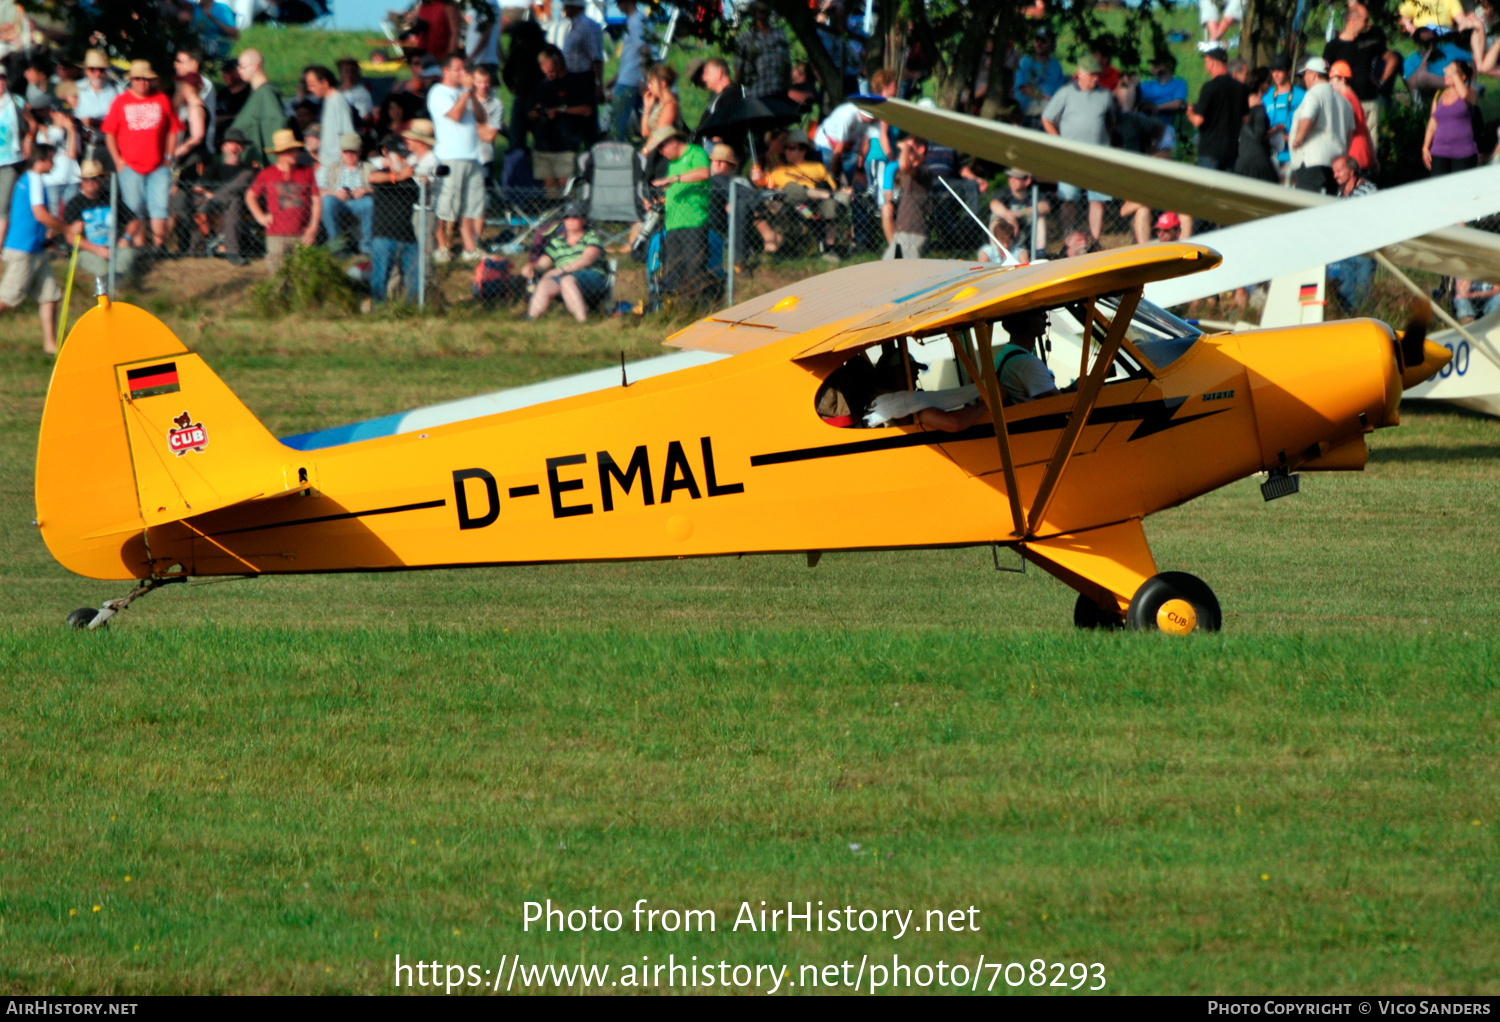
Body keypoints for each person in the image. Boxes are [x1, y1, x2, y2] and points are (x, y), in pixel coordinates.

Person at [917, 310, 1059, 432]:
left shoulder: (1007, 354)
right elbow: (1059, 402)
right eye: (1039, 314)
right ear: (1024, 321)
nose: (1045, 317)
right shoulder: (1026, 363)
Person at [103, 60, 181, 252]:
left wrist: (169, 157)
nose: (142, 83)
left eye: (146, 79)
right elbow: (109, 133)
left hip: (158, 166)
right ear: (131, 80)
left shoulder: (162, 99)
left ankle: (159, 247)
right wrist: (118, 161)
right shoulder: (121, 102)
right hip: (129, 165)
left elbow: (174, 129)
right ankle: (139, 246)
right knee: (133, 208)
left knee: (160, 206)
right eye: (138, 79)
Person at [1041, 55, 1116, 245]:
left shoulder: (1105, 95)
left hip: (1098, 157)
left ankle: (1096, 242)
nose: (1095, 79)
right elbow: (1047, 118)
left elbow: (1110, 122)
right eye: (1091, 75)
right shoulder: (1065, 93)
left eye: (1097, 75)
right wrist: (1059, 143)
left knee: (1097, 201)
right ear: (1080, 73)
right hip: (1070, 157)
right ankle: (1069, 242)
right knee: (1068, 199)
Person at [0, 145, 62, 354]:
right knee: (7, 300)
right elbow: (40, 214)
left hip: (35, 249)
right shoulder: (34, 179)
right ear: (41, 160)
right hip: (23, 249)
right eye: (51, 159)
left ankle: (51, 346)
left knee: (49, 296)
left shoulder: (28, 179)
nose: (53, 163)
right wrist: (66, 228)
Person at [427, 54, 488, 263]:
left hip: (472, 155)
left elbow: (482, 118)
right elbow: (455, 115)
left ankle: (470, 248)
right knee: (444, 206)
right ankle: (441, 246)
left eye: (464, 69)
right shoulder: (438, 92)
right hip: (449, 156)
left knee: (471, 205)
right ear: (446, 71)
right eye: (458, 69)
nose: (463, 73)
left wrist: (471, 94)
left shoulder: (466, 93)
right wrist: (466, 92)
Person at [645, 125, 712, 304]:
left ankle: (702, 308)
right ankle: (681, 308)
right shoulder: (672, 163)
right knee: (675, 269)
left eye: (662, 147)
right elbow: (674, 188)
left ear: (673, 142)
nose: (661, 152)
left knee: (694, 266)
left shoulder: (695, 153)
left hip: (693, 221)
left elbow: (704, 173)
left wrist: (674, 179)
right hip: (673, 223)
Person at [756, 129, 842, 260]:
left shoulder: (817, 167)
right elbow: (765, 185)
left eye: (792, 148)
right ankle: (811, 202)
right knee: (791, 187)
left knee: (831, 203)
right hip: (797, 206)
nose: (787, 151)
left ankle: (829, 249)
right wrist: (757, 178)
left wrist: (828, 194)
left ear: (803, 150)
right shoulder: (778, 171)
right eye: (786, 148)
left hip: (816, 205)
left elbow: (832, 189)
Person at [245, 128, 319, 275]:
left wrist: (313, 226)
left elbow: (316, 199)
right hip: (276, 234)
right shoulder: (267, 174)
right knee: (278, 276)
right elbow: (250, 195)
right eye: (290, 151)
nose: (295, 154)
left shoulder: (307, 172)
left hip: (302, 234)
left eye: (295, 150)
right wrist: (260, 217)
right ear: (280, 154)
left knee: (305, 275)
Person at [1323, 0, 1399, 140]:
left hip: (1368, 101)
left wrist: (1381, 81)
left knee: (1370, 146)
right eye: (1365, 20)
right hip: (1343, 103)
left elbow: (1392, 59)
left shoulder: (1370, 41)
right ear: (1353, 19)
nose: (1368, 24)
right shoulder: (1333, 47)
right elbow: (1325, 73)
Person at [177, 127, 256, 261]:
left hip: (242, 205)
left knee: (235, 199)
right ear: (224, 147)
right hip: (213, 206)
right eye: (232, 143)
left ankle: (223, 248)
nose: (235, 146)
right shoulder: (215, 169)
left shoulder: (249, 170)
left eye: (239, 143)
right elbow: (197, 188)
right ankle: (228, 251)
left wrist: (215, 197)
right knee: (203, 203)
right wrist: (209, 194)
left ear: (243, 148)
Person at [523, 202, 607, 321]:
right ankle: (530, 319)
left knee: (566, 280)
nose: (570, 220)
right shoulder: (557, 241)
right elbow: (544, 262)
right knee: (545, 284)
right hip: (563, 277)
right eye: (567, 217)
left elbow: (586, 260)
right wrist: (532, 267)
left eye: (575, 216)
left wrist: (560, 270)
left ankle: (583, 321)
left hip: (591, 277)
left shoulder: (591, 237)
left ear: (584, 220)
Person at [366, 134, 423, 305]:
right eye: (399, 155)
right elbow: (372, 178)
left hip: (408, 237)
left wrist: (424, 185)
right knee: (380, 279)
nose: (403, 160)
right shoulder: (382, 175)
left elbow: (420, 200)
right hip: (384, 236)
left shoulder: (411, 181)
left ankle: (411, 308)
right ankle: (378, 310)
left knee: (414, 279)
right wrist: (397, 177)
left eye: (405, 156)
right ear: (387, 155)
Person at [530, 44, 593, 193]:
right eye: (544, 69)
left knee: (566, 185)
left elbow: (587, 110)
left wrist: (561, 110)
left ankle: (569, 213)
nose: (548, 73)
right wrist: (539, 112)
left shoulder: (575, 82)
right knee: (549, 189)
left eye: (550, 70)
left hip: (567, 143)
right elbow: (531, 112)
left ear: (559, 64)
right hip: (544, 145)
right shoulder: (541, 86)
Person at [64, 159, 138, 283]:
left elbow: (133, 221)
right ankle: (107, 288)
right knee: (101, 268)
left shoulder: (111, 198)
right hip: (87, 251)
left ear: (102, 179)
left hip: (114, 248)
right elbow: (70, 237)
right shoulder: (74, 204)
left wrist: (126, 238)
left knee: (128, 255)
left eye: (95, 178)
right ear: (81, 181)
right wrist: (96, 250)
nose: (90, 182)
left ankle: (119, 287)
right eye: (86, 179)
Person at [1288, 57, 1351, 194]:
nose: (1304, 79)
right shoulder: (1344, 101)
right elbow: (1350, 134)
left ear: (1313, 74)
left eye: (1305, 74)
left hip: (1312, 161)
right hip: (1335, 163)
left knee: (1307, 207)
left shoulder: (1314, 94)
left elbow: (1307, 118)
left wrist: (1297, 140)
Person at [1328, 154, 1376, 311]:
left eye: (1339, 171)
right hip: (1345, 250)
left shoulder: (1369, 191)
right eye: (1334, 172)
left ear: (1351, 171)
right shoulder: (1340, 195)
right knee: (1345, 291)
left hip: (1364, 251)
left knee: (1363, 290)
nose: (1335, 175)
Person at [1187, 47, 1247, 171]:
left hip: (1210, 151)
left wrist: (1190, 112)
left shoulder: (1209, 87)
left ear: (1212, 63)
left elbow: (1198, 120)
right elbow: (1246, 119)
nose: (1205, 65)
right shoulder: (1240, 88)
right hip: (1231, 151)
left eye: (1206, 61)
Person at [1423, 59, 1480, 174]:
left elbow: (1464, 95)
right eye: (1447, 73)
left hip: (1463, 153)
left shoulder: (1470, 92)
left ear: (1462, 77)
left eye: (1451, 73)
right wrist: (1425, 147)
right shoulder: (1440, 95)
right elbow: (1432, 123)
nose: (1446, 75)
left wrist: (1454, 73)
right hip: (1439, 152)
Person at [229, 50, 284, 167]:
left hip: (264, 165)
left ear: (255, 66)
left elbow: (275, 123)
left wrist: (274, 159)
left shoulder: (266, 93)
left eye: (242, 66)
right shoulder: (257, 93)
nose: (238, 70)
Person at [501, 5, 545, 149]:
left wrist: (512, 87)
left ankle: (517, 162)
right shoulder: (543, 49)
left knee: (516, 138)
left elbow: (506, 72)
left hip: (522, 94)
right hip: (541, 96)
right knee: (542, 137)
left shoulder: (518, 49)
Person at [320, 132, 372, 254]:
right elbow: (319, 191)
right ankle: (336, 245)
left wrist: (364, 190)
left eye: (352, 151)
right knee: (327, 201)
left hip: (360, 202)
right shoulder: (333, 167)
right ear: (341, 151)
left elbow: (380, 189)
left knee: (370, 203)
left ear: (360, 151)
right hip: (338, 202)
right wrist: (335, 193)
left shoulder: (368, 167)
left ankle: (366, 247)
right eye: (345, 151)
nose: (349, 155)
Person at [882, 135, 929, 260]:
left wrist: (905, 147)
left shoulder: (924, 171)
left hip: (913, 233)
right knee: (886, 269)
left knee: (910, 273)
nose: (905, 152)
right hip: (902, 233)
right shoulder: (908, 175)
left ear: (921, 150)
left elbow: (904, 165)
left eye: (910, 148)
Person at [609, 0, 649, 142]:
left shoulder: (636, 22)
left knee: (616, 127)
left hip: (629, 82)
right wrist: (614, 80)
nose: (617, 6)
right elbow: (630, 57)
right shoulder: (636, 21)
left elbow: (645, 50)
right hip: (631, 78)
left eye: (619, 2)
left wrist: (645, 79)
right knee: (645, 123)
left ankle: (613, 157)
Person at [812, 97, 874, 186]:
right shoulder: (847, 114)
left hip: (850, 147)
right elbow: (839, 148)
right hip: (827, 142)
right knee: (826, 177)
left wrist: (859, 169)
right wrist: (832, 176)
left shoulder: (873, 121)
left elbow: (865, 142)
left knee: (852, 178)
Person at [735, 1, 790, 101]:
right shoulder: (745, 39)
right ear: (753, 14)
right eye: (760, 11)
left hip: (778, 94)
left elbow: (787, 65)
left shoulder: (779, 35)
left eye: (765, 11)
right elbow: (739, 74)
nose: (763, 14)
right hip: (756, 96)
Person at [1327, 61, 1376, 172]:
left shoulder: (1345, 99)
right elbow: (1366, 129)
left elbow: (1341, 131)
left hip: (1353, 159)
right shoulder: (1353, 97)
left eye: (1332, 79)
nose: (1330, 83)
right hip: (1362, 156)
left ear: (1343, 79)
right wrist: (1373, 157)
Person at [987, 168, 1047, 258]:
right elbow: (993, 204)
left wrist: (1019, 213)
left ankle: (1040, 254)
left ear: (1027, 181)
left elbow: (1044, 206)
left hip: (1025, 225)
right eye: (1010, 177)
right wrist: (1008, 216)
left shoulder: (1032, 192)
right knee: (995, 219)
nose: (1011, 180)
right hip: (1006, 225)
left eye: (1016, 178)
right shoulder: (1004, 192)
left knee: (1040, 218)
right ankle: (996, 253)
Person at [1264, 52, 1305, 183]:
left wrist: (1289, 138)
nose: (1275, 74)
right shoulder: (1266, 96)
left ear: (1288, 71)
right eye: (1273, 70)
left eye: (1280, 70)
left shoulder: (1302, 95)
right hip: (1271, 157)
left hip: (1293, 156)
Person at [1014, 26, 1064, 127]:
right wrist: (1042, 97)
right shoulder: (1025, 61)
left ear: (1052, 45)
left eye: (1043, 41)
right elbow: (1023, 88)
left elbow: (1060, 92)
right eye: (1037, 40)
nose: (1039, 44)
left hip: (1050, 108)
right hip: (1028, 107)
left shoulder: (1056, 66)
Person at [1137, 54, 1188, 154]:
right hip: (1144, 123)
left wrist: (1155, 107)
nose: (1152, 68)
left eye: (1156, 65)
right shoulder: (1147, 85)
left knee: (1166, 143)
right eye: (1152, 66)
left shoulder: (1178, 83)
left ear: (1167, 66)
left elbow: (1177, 103)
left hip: (1164, 124)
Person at [1235, 67, 1278, 181]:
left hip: (1240, 156)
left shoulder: (1241, 102)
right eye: (1269, 82)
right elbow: (1260, 135)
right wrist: (1275, 129)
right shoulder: (1259, 107)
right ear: (1263, 85)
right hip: (1257, 160)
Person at [561, 0, 604, 107]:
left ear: (576, 7)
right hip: (571, 78)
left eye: (567, 5)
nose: (564, 7)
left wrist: (598, 85)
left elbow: (596, 58)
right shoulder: (572, 25)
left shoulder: (587, 26)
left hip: (584, 79)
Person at [175, 0, 239, 61]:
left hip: (216, 45)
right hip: (195, 42)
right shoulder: (194, 7)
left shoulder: (221, 8)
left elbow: (235, 34)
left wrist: (214, 19)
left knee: (192, 43)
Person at [74, 50, 119, 134]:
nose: (97, 73)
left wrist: (99, 123)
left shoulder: (117, 90)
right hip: (82, 140)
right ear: (86, 71)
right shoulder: (75, 89)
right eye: (92, 69)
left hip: (108, 138)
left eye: (101, 70)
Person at [472, 64, 502, 179]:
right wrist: (482, 127)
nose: (483, 86)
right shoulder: (464, 101)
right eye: (479, 82)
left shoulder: (496, 104)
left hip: (484, 156)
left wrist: (466, 126)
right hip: (465, 156)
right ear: (473, 82)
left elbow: (490, 135)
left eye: (487, 82)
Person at [337, 58, 374, 127]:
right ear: (340, 74)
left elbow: (366, 117)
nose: (349, 75)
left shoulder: (362, 93)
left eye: (353, 72)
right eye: (346, 72)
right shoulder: (335, 91)